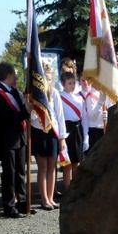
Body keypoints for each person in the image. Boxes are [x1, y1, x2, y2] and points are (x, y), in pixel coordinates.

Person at [0, 62, 34, 218]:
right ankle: (9, 206)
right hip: (7, 139)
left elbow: (24, 102)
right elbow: (5, 119)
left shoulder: (14, 91)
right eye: (15, 74)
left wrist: (28, 78)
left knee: (20, 172)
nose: (16, 76)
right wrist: (25, 112)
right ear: (8, 75)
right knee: (9, 174)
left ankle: (23, 203)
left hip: (19, 137)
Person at [30, 65, 67, 210]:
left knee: (52, 167)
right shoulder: (35, 95)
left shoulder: (55, 93)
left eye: (50, 79)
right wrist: (33, 106)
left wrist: (62, 137)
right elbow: (32, 118)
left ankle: (51, 198)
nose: (48, 81)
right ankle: (44, 199)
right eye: (46, 78)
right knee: (42, 167)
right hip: (39, 132)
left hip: (53, 132)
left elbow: (60, 115)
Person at [59, 71, 88, 187]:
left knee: (77, 161)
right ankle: (68, 188)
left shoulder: (79, 98)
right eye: (69, 83)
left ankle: (76, 186)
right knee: (67, 162)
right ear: (63, 84)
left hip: (77, 129)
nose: (72, 86)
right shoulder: (60, 97)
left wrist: (86, 136)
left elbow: (84, 119)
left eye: (73, 83)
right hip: (67, 129)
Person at [78, 75, 110, 150]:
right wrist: (99, 104)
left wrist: (108, 115)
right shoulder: (90, 95)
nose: (86, 83)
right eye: (83, 80)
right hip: (95, 130)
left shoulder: (102, 93)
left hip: (104, 128)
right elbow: (91, 117)